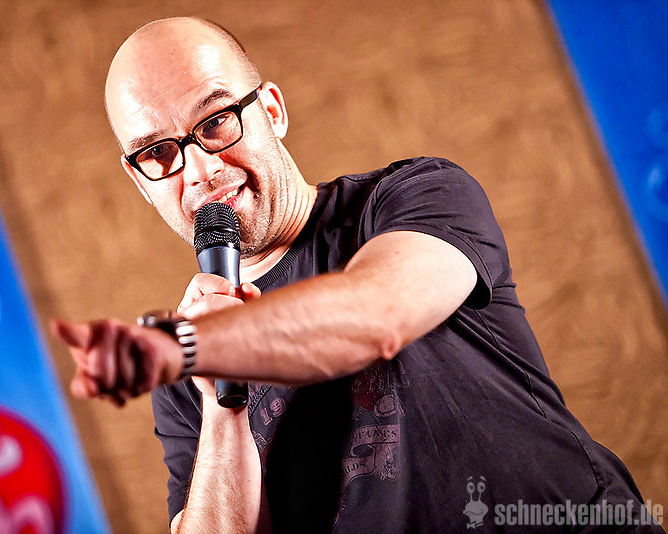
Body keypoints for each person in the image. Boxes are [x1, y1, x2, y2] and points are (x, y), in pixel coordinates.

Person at [52, 17, 663, 533]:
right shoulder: (185, 377)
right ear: (140, 179)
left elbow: (376, 315)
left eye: (215, 122)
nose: (201, 169)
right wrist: (220, 405)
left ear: (271, 111)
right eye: (158, 152)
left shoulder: (413, 197)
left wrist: (202, 343)